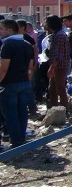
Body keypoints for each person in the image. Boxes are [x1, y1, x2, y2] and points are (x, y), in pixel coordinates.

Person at [0, 19, 35, 148]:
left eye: (1, 29)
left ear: (10, 30)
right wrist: (28, 82)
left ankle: (16, 141)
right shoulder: (27, 44)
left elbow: (3, 68)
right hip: (25, 82)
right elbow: (31, 67)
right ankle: (21, 138)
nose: (0, 32)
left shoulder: (7, 44)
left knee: (10, 114)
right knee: (22, 112)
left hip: (10, 84)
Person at [46, 15, 70, 110]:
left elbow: (58, 54)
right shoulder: (57, 34)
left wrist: (52, 68)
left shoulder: (59, 35)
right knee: (52, 89)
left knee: (60, 89)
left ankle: (64, 110)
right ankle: (54, 110)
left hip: (59, 66)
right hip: (57, 65)